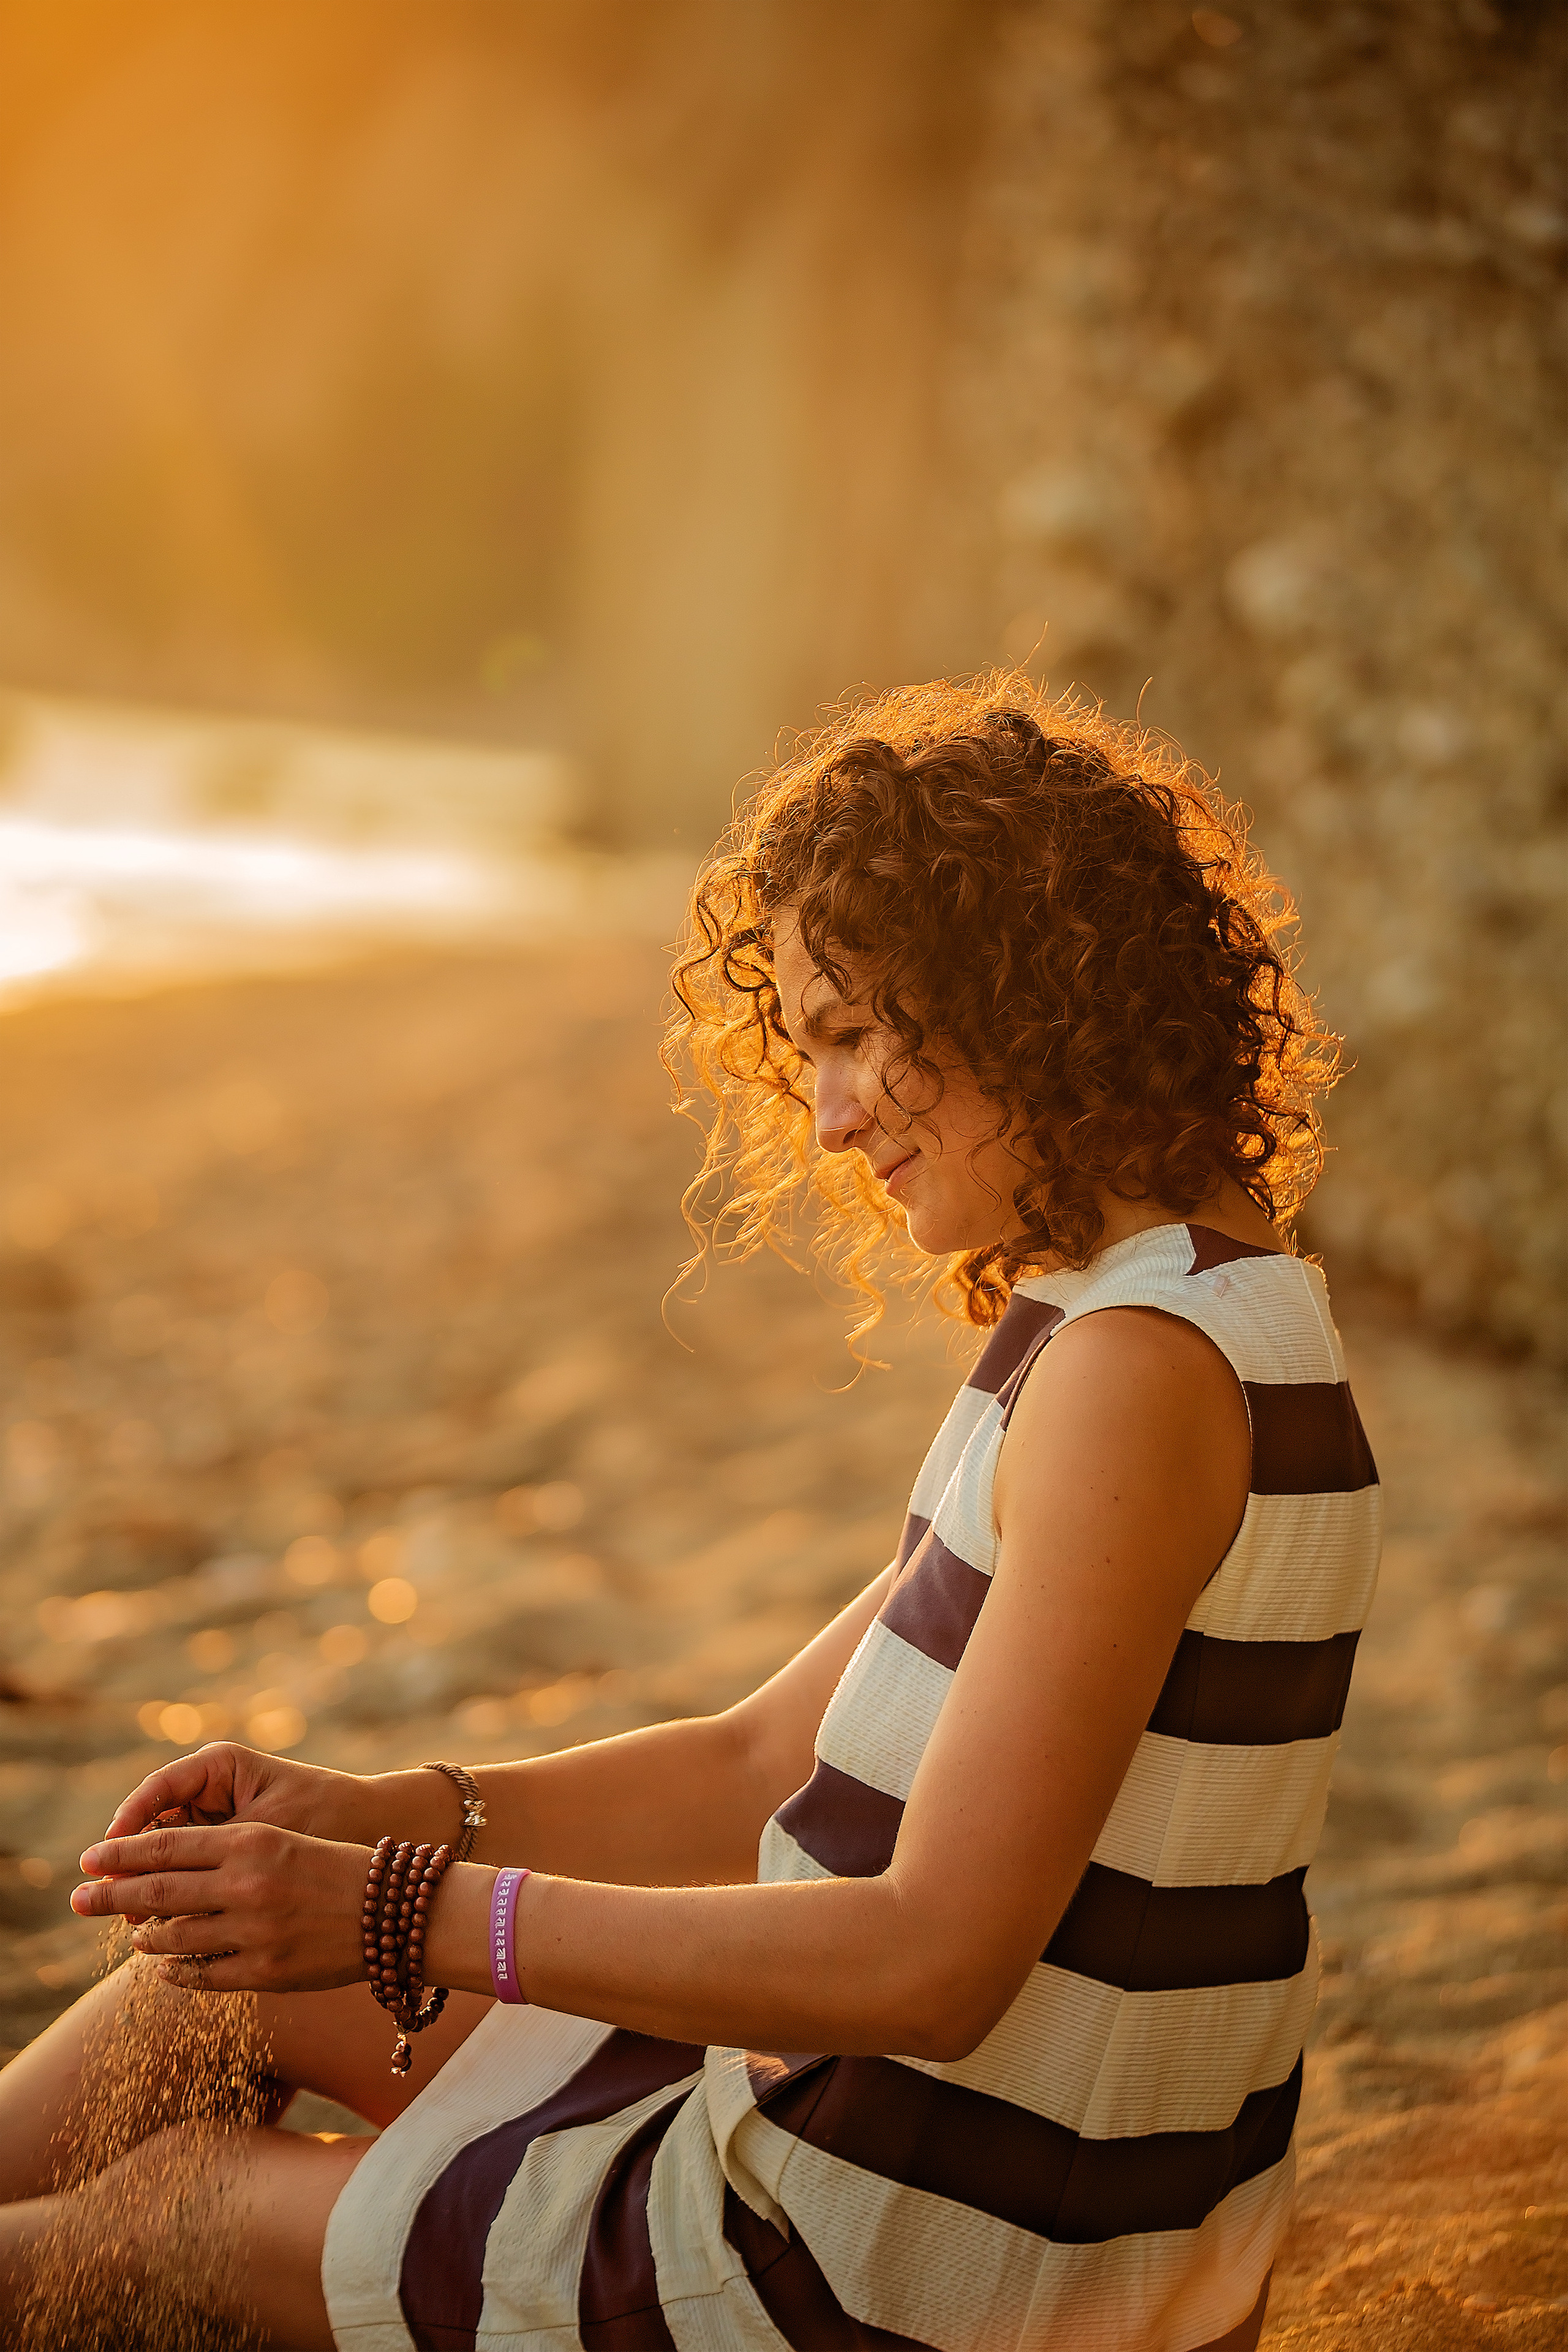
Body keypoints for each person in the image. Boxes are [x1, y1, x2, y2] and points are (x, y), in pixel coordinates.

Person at [0, 676, 1380, 2352]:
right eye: (811, 1052)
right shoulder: (1180, 1317)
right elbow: (754, 1765)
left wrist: (397, 1906)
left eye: (857, 1034)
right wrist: (377, 1816)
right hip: (932, 2168)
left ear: (1026, 987)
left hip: (893, 2276)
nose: (832, 1117)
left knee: (183, 2209)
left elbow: (935, 1962)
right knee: (206, 1993)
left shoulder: (1137, 1375)